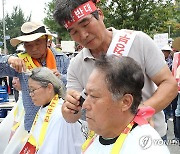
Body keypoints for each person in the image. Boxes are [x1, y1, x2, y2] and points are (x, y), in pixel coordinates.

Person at [53, 0, 178, 139]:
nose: (83, 35)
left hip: (147, 137)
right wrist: (68, 109)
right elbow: (72, 116)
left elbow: (170, 84)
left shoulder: (137, 41)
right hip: (104, 143)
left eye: (85, 24)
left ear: (100, 14)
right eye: (74, 31)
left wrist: (141, 111)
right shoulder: (76, 65)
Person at [81, 55, 170, 153]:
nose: (85, 105)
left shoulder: (147, 148)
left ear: (125, 102)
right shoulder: (99, 134)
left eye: (94, 96)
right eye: (86, 95)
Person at [0, 21, 70, 132]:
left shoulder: (62, 59)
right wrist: (8, 59)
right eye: (28, 44)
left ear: (46, 40)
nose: (33, 48)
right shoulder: (20, 61)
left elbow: (73, 86)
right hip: (33, 124)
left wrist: (61, 78)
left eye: (37, 43)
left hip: (60, 123)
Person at [19, 67, 84, 154]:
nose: (31, 94)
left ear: (49, 88)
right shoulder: (44, 108)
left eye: (33, 90)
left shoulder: (61, 114)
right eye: (29, 90)